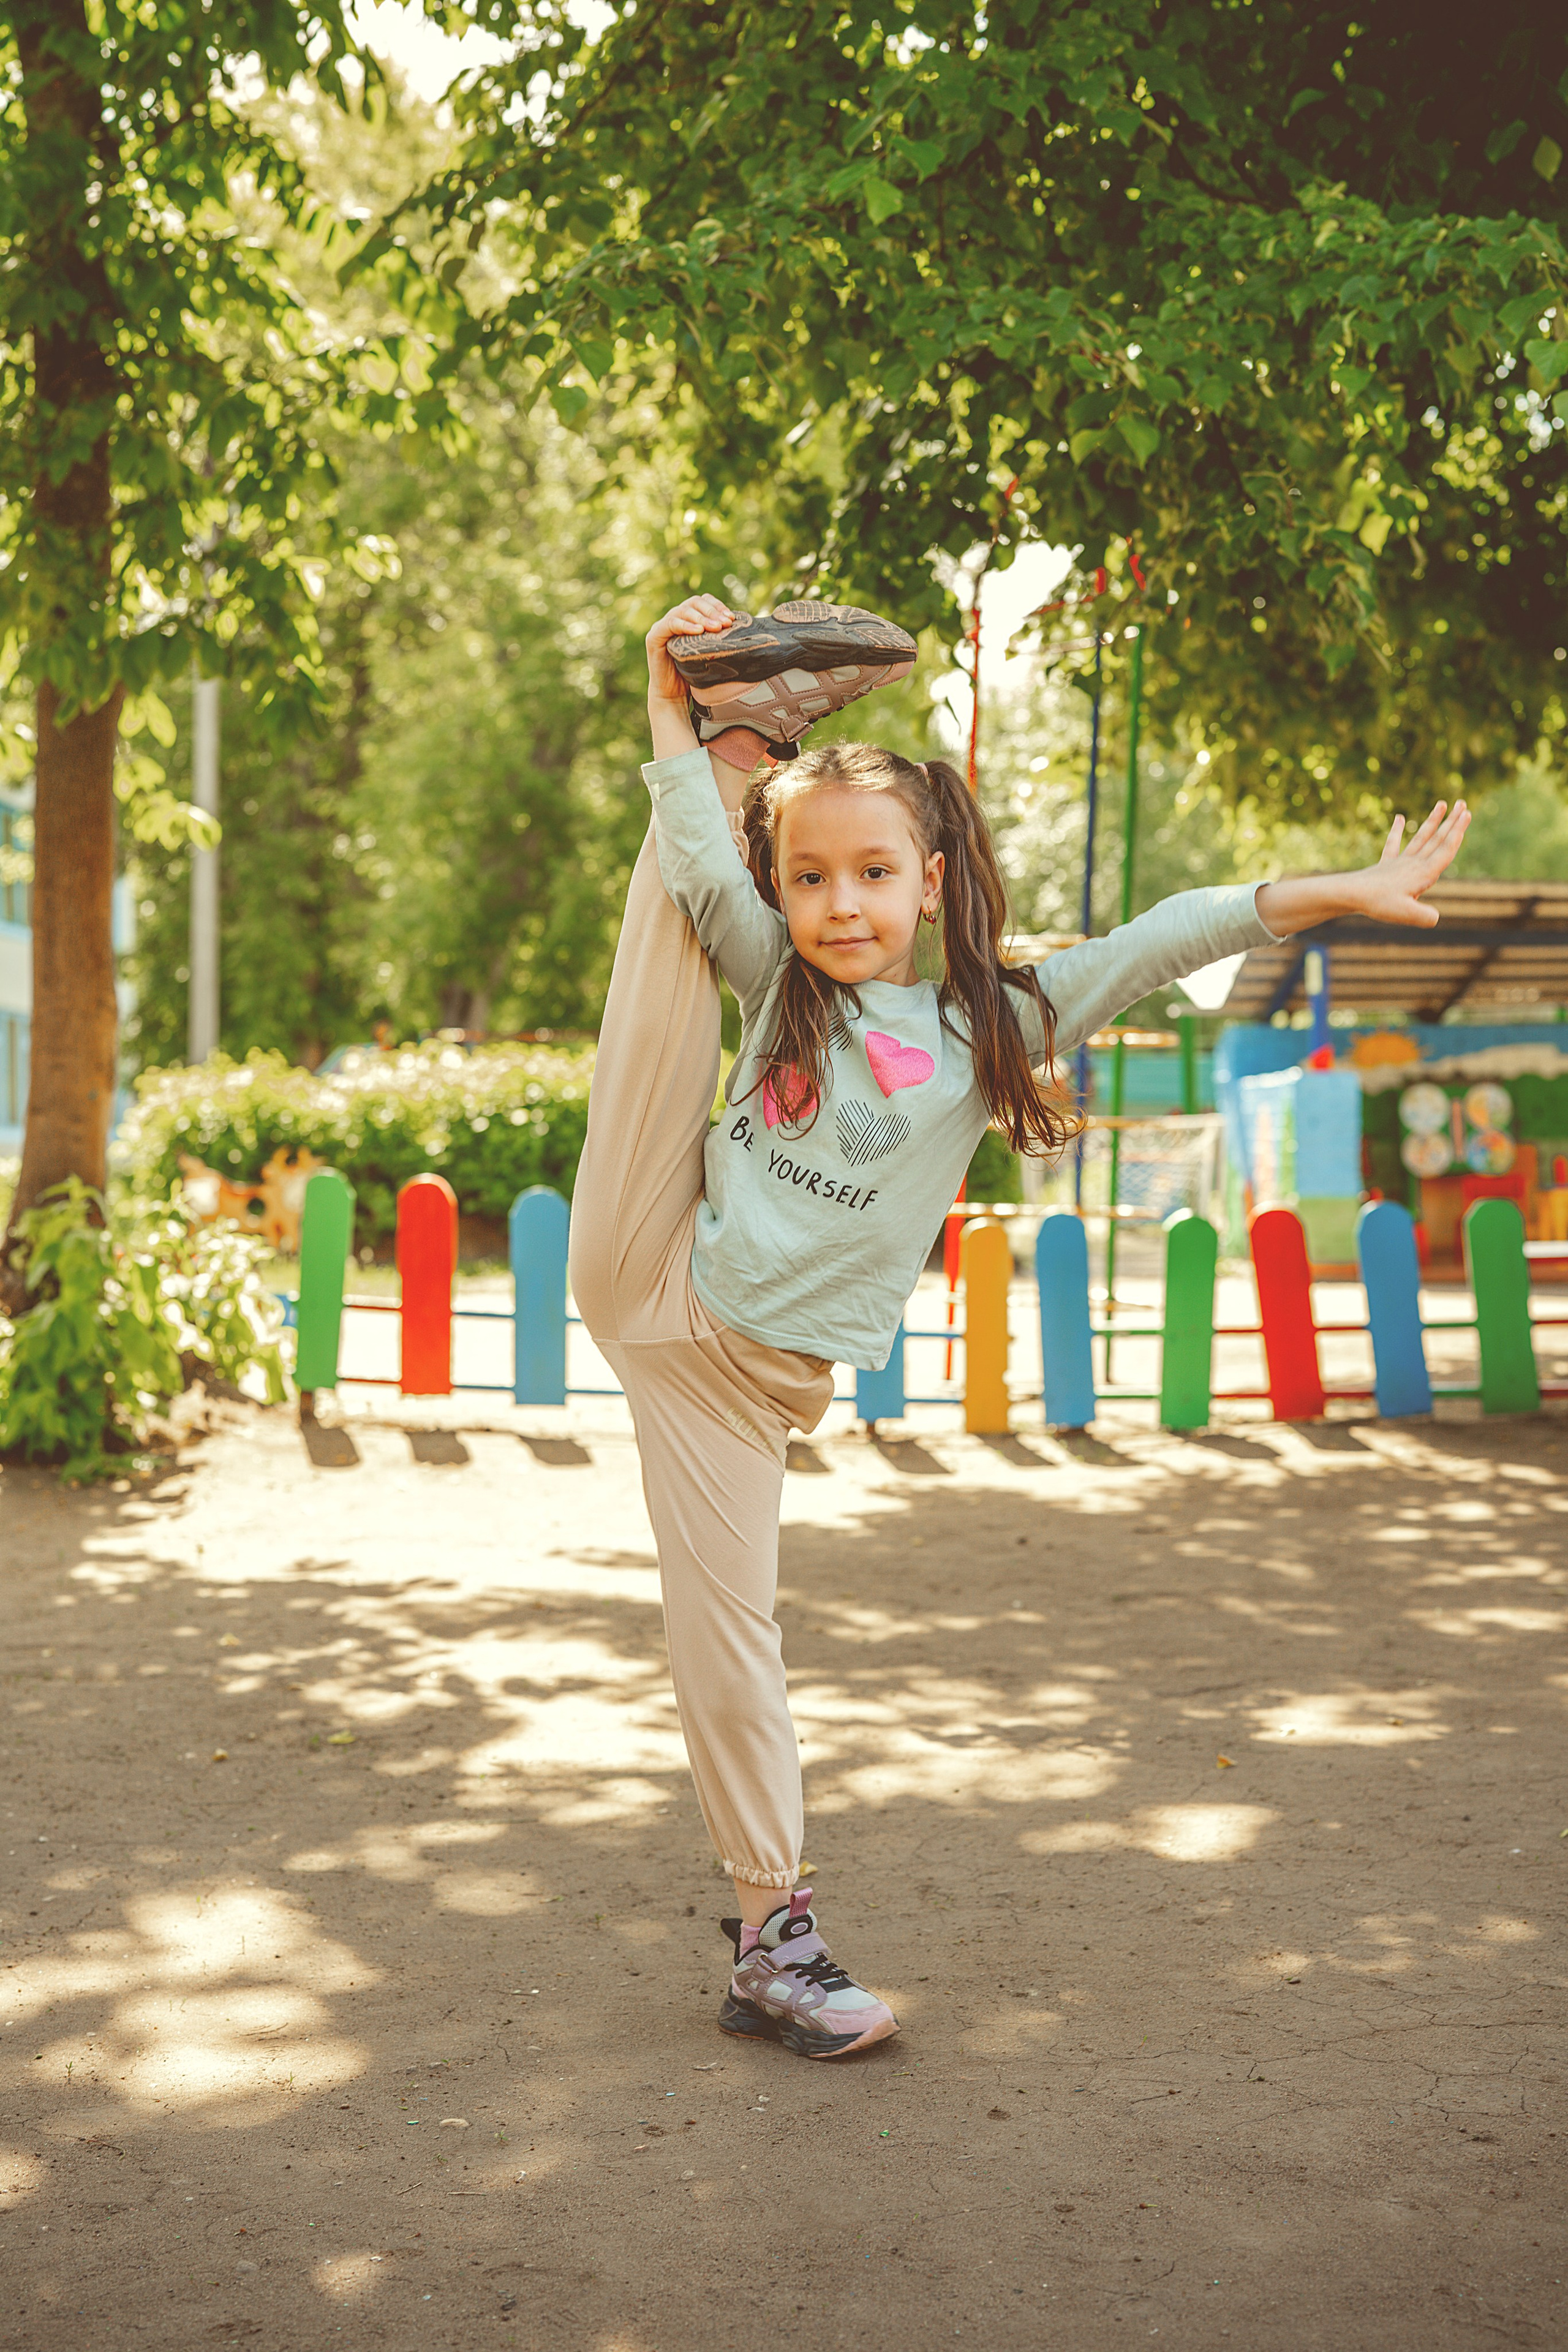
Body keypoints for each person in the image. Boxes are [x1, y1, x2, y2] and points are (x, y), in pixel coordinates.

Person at [568, 590, 1471, 2059]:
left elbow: (1170, 933)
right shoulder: (780, 983)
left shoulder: (1000, 1022)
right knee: (675, 944)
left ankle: (765, 1949)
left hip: (738, 1395)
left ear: (928, 880)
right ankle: (736, 737)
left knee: (727, 1645)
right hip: (654, 1272)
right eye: (807, 880)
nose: (836, 906)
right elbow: (702, 871)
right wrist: (668, 715)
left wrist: (1333, 890)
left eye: (867, 875)